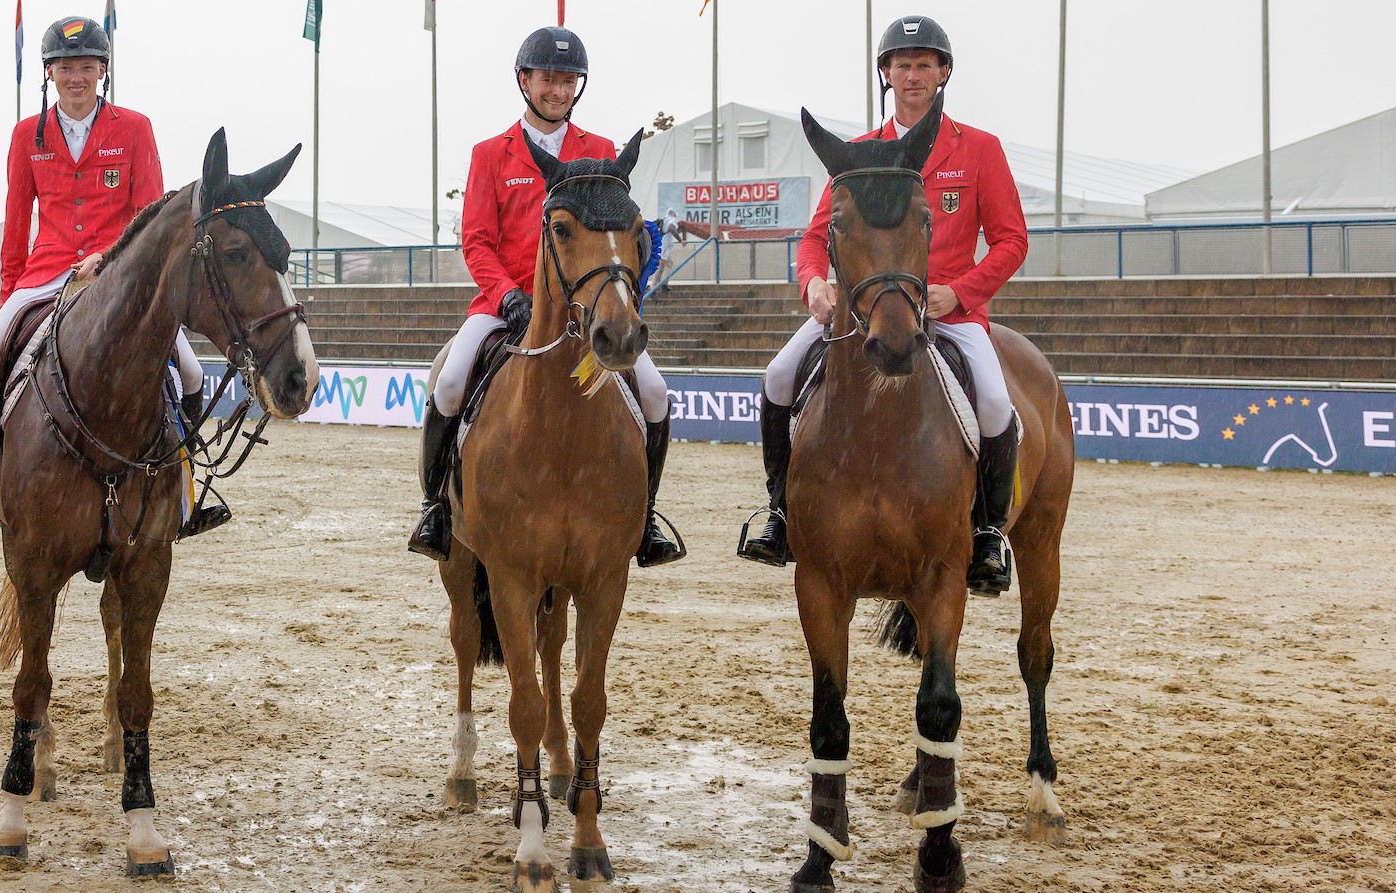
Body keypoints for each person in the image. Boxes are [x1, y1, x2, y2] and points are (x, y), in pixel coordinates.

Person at [738, 14, 1028, 594]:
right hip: (862, 310)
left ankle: (989, 532)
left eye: (924, 63)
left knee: (996, 403)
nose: (913, 74)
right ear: (886, 74)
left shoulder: (979, 149)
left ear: (944, 73)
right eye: (902, 64)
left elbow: (1012, 240)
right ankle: (777, 511)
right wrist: (814, 285)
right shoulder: (860, 153)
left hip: (948, 311)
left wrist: (962, 291)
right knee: (776, 376)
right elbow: (816, 236)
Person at [407, 26, 684, 568]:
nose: (558, 90)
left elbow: (619, 232)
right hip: (503, 305)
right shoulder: (491, 154)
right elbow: (477, 241)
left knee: (653, 393)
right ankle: (436, 509)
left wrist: (622, 291)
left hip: (586, 309)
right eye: (548, 79)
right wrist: (508, 294)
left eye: (568, 80)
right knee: (450, 383)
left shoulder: (602, 152)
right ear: (525, 81)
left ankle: (645, 517)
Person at [0, 15, 219, 540]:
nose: (77, 76)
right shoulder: (26, 135)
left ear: (103, 70)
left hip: (120, 277)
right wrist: (11, 296)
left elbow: (152, 216)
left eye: (87, 66)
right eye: (65, 67)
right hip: (47, 272)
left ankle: (188, 490)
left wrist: (111, 256)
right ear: (49, 73)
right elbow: (15, 223)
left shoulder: (135, 127)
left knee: (188, 370)